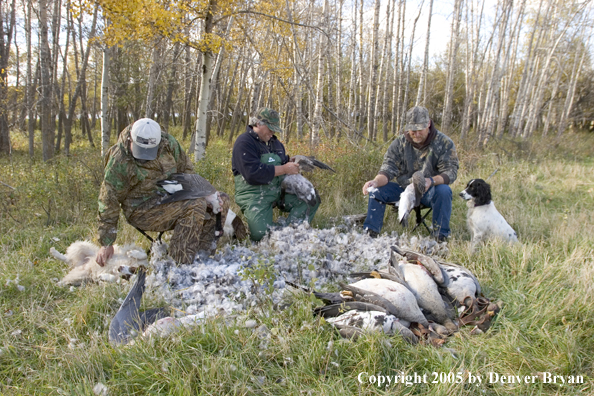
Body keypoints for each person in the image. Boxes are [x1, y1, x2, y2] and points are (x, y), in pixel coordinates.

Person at [96, 118, 230, 265]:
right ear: (130, 140)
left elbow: (186, 171)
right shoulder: (119, 159)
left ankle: (202, 258)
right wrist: (106, 242)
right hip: (141, 209)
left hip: (171, 196)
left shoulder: (168, 144)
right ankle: (179, 265)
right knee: (195, 204)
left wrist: (204, 193)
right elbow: (109, 199)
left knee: (221, 199)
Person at [362, 106, 459, 241]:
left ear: (428, 124)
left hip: (429, 189)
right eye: (412, 130)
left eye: (420, 130)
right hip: (403, 190)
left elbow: (451, 171)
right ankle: (370, 234)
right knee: (376, 190)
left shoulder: (444, 143)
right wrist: (375, 182)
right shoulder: (399, 143)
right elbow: (387, 169)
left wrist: (430, 181)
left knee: (444, 191)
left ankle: (440, 237)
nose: (416, 134)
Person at [232, 108, 320, 241]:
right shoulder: (244, 143)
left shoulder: (276, 143)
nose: (273, 132)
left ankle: (289, 231)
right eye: (270, 128)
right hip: (254, 195)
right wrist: (284, 169)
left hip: (278, 191)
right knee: (260, 235)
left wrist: (292, 162)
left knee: (312, 199)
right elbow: (252, 173)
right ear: (258, 124)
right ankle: (272, 232)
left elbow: (282, 162)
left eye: (275, 128)